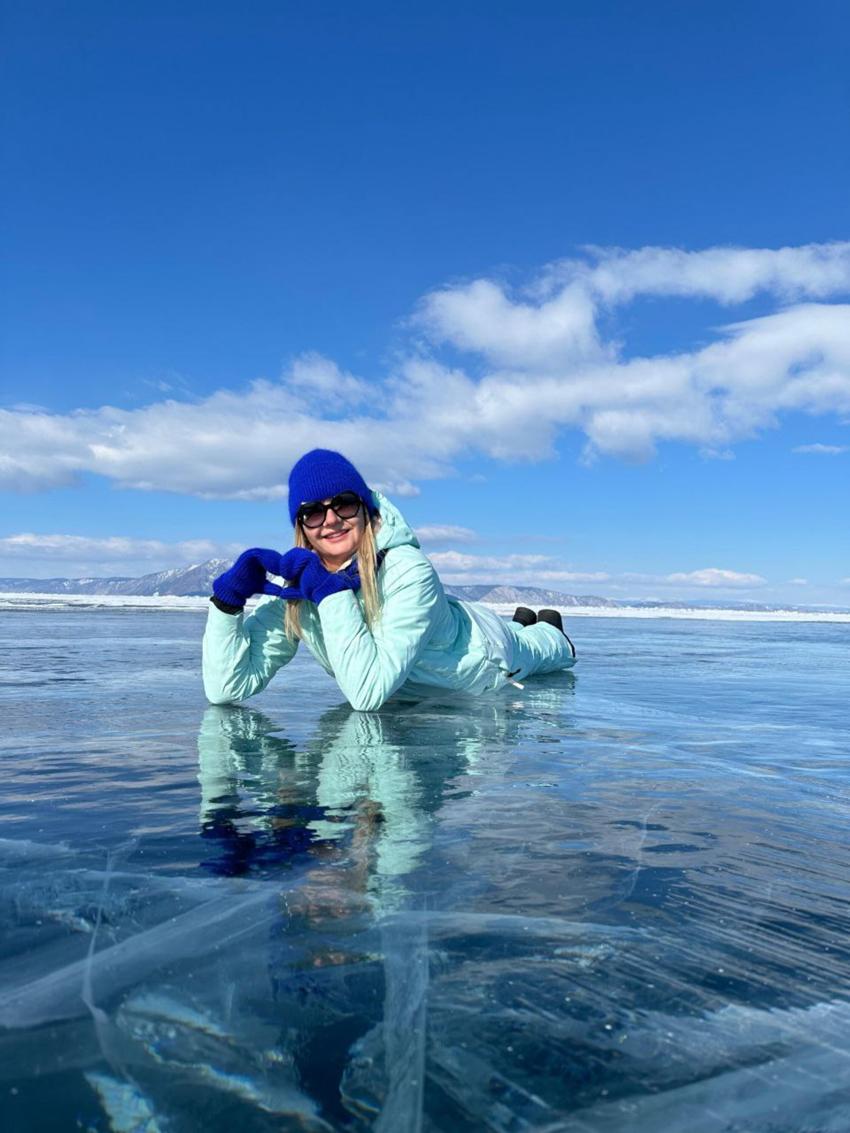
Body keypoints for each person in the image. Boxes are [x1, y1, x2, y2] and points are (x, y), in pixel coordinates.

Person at [202, 449, 576, 711]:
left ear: (366, 509)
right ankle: (522, 621)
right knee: (517, 630)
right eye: (313, 512)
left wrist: (329, 591)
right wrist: (227, 602)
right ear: (301, 526)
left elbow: (367, 694)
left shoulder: (409, 570)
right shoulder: (300, 587)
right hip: (427, 657)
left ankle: (546, 629)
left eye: (343, 504)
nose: (330, 520)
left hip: (483, 655)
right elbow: (226, 689)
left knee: (540, 648)